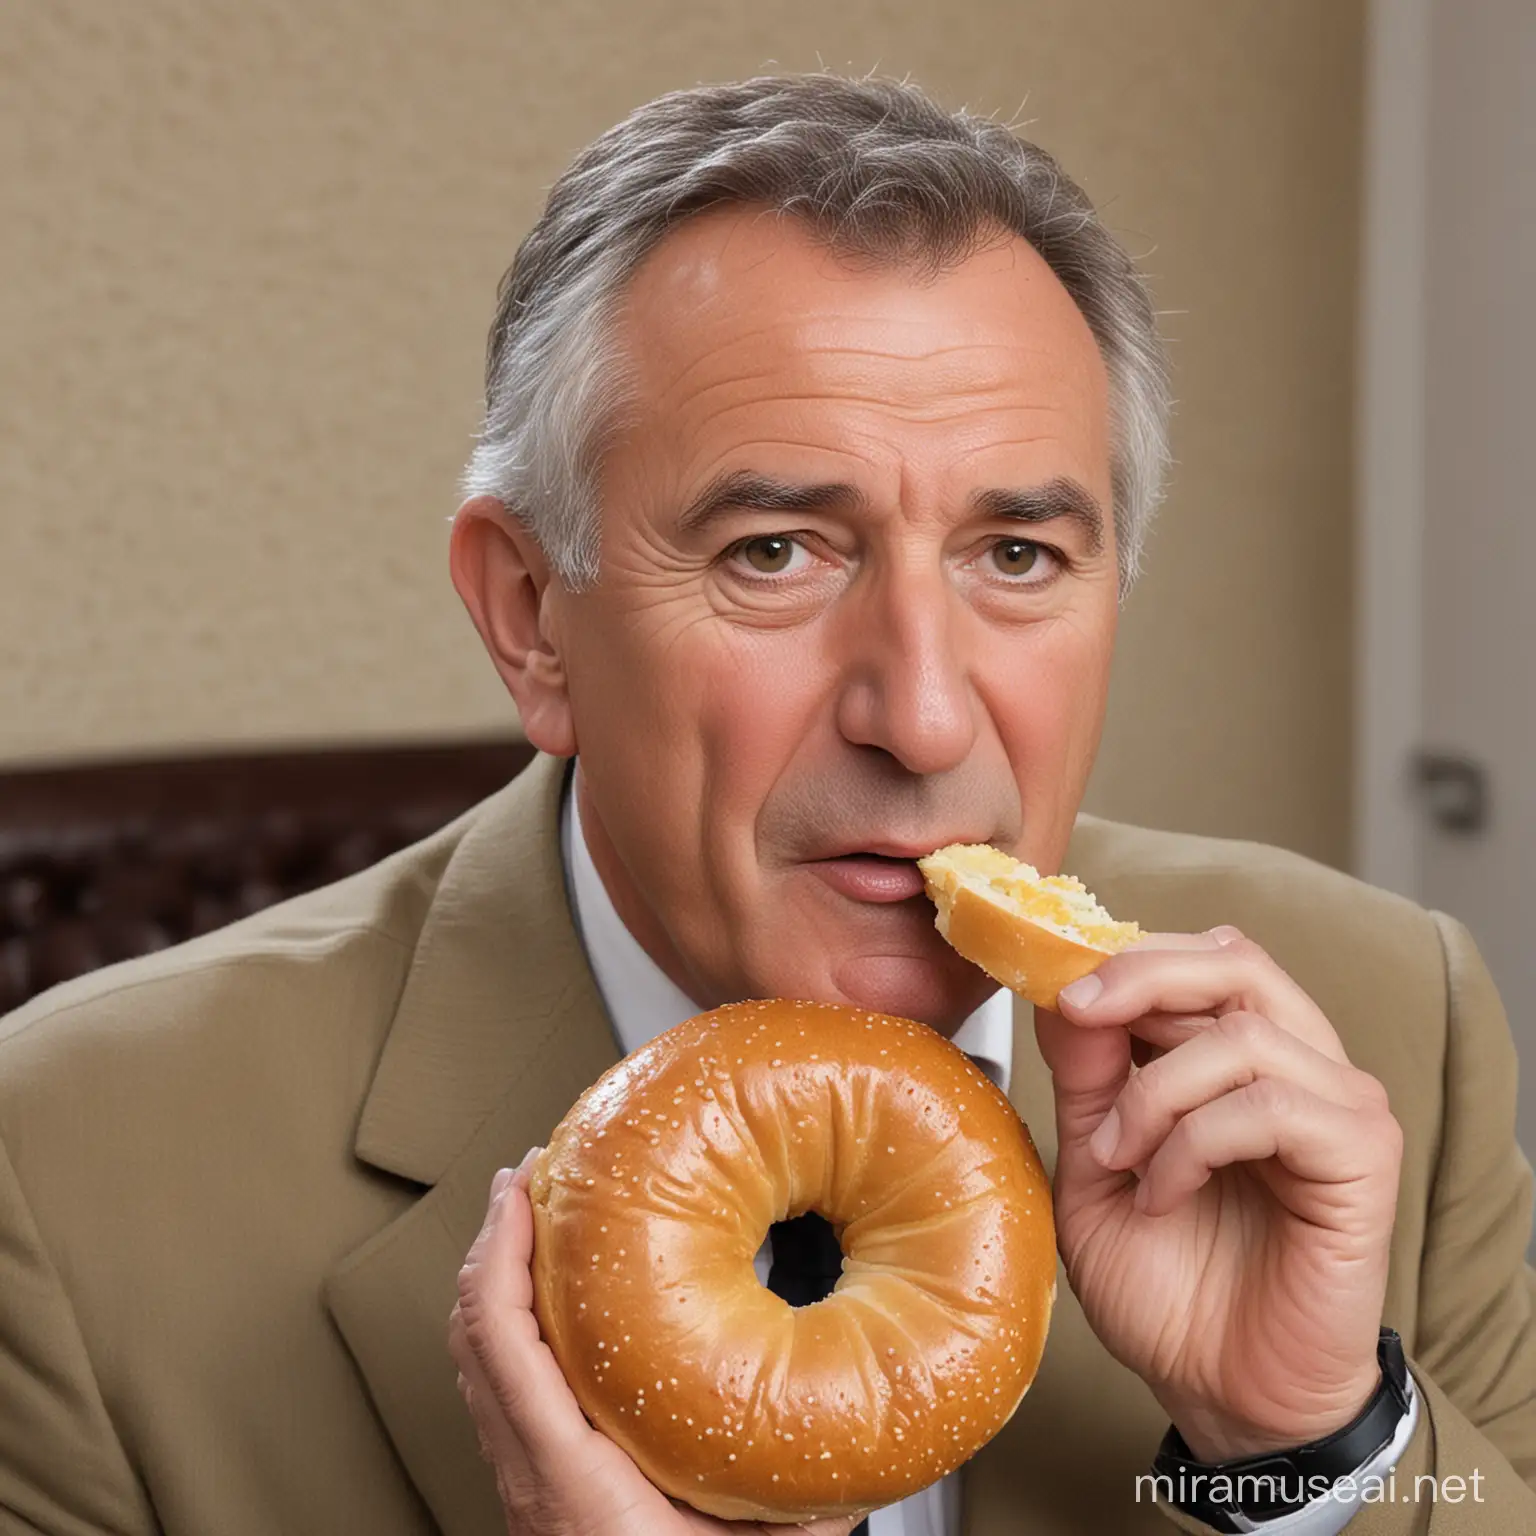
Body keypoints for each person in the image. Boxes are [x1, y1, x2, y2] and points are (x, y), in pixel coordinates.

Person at [1, 75, 1532, 1536]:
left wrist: (1314, 1452)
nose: (924, 716)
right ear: (534, 616)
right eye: (775, 553)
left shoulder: (1393, 1020)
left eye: (1017, 557)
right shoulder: (70, 1184)